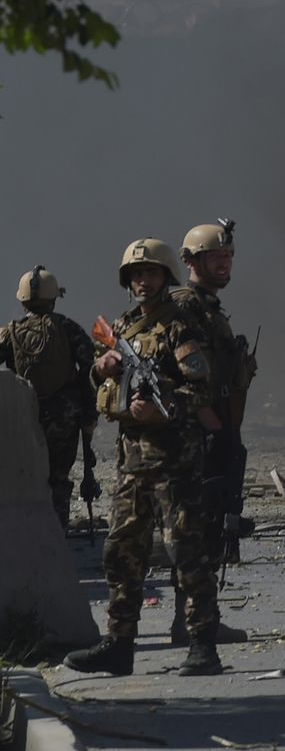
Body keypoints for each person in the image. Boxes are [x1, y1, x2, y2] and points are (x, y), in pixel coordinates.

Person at [63, 239, 223, 677]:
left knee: (187, 551)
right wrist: (105, 368)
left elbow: (203, 391)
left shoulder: (180, 326)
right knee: (121, 552)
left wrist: (161, 403)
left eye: (150, 273)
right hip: (133, 461)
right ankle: (119, 643)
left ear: (166, 277)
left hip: (174, 460)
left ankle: (203, 643)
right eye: (135, 274)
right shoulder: (124, 326)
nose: (142, 281)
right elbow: (101, 387)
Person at [169, 220, 257, 646]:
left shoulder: (208, 308)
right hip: (199, 433)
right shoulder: (185, 307)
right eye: (214, 258)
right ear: (191, 261)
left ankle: (197, 618)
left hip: (219, 428)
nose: (224, 264)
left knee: (209, 524)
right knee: (195, 527)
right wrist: (213, 427)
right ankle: (193, 622)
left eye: (228, 257)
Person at [0, 266, 97, 529]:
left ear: (22, 300)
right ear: (54, 297)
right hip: (63, 416)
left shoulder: (9, 332)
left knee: (25, 477)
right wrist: (90, 414)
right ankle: (56, 534)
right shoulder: (66, 327)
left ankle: (27, 535)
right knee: (58, 479)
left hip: (24, 417)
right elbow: (91, 369)